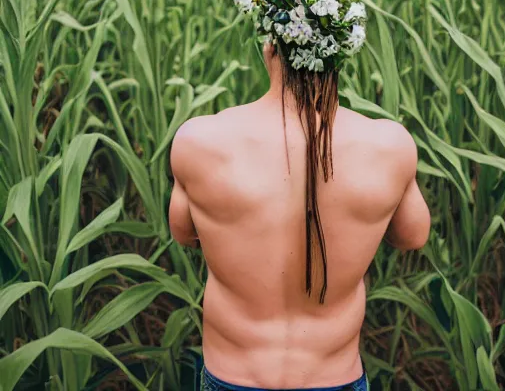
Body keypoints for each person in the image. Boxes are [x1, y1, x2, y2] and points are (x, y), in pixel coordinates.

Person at [168, 37, 431, 391]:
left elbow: (184, 233)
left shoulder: (199, 140)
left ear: (270, 48)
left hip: (233, 375)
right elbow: (413, 237)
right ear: (340, 50)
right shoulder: (389, 146)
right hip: (334, 377)